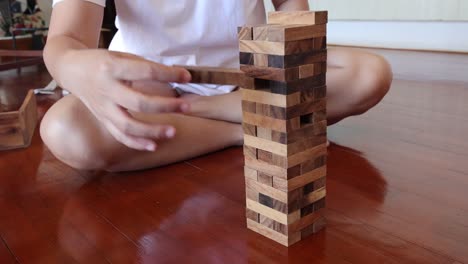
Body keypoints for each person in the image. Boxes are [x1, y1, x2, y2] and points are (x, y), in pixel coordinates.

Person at [41, 0, 392, 172]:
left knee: (367, 74)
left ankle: (224, 118)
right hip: (151, 83)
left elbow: (290, 5)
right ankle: (248, 131)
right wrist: (73, 65)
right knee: (67, 130)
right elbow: (66, 38)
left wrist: (294, 59)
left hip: (251, 77)